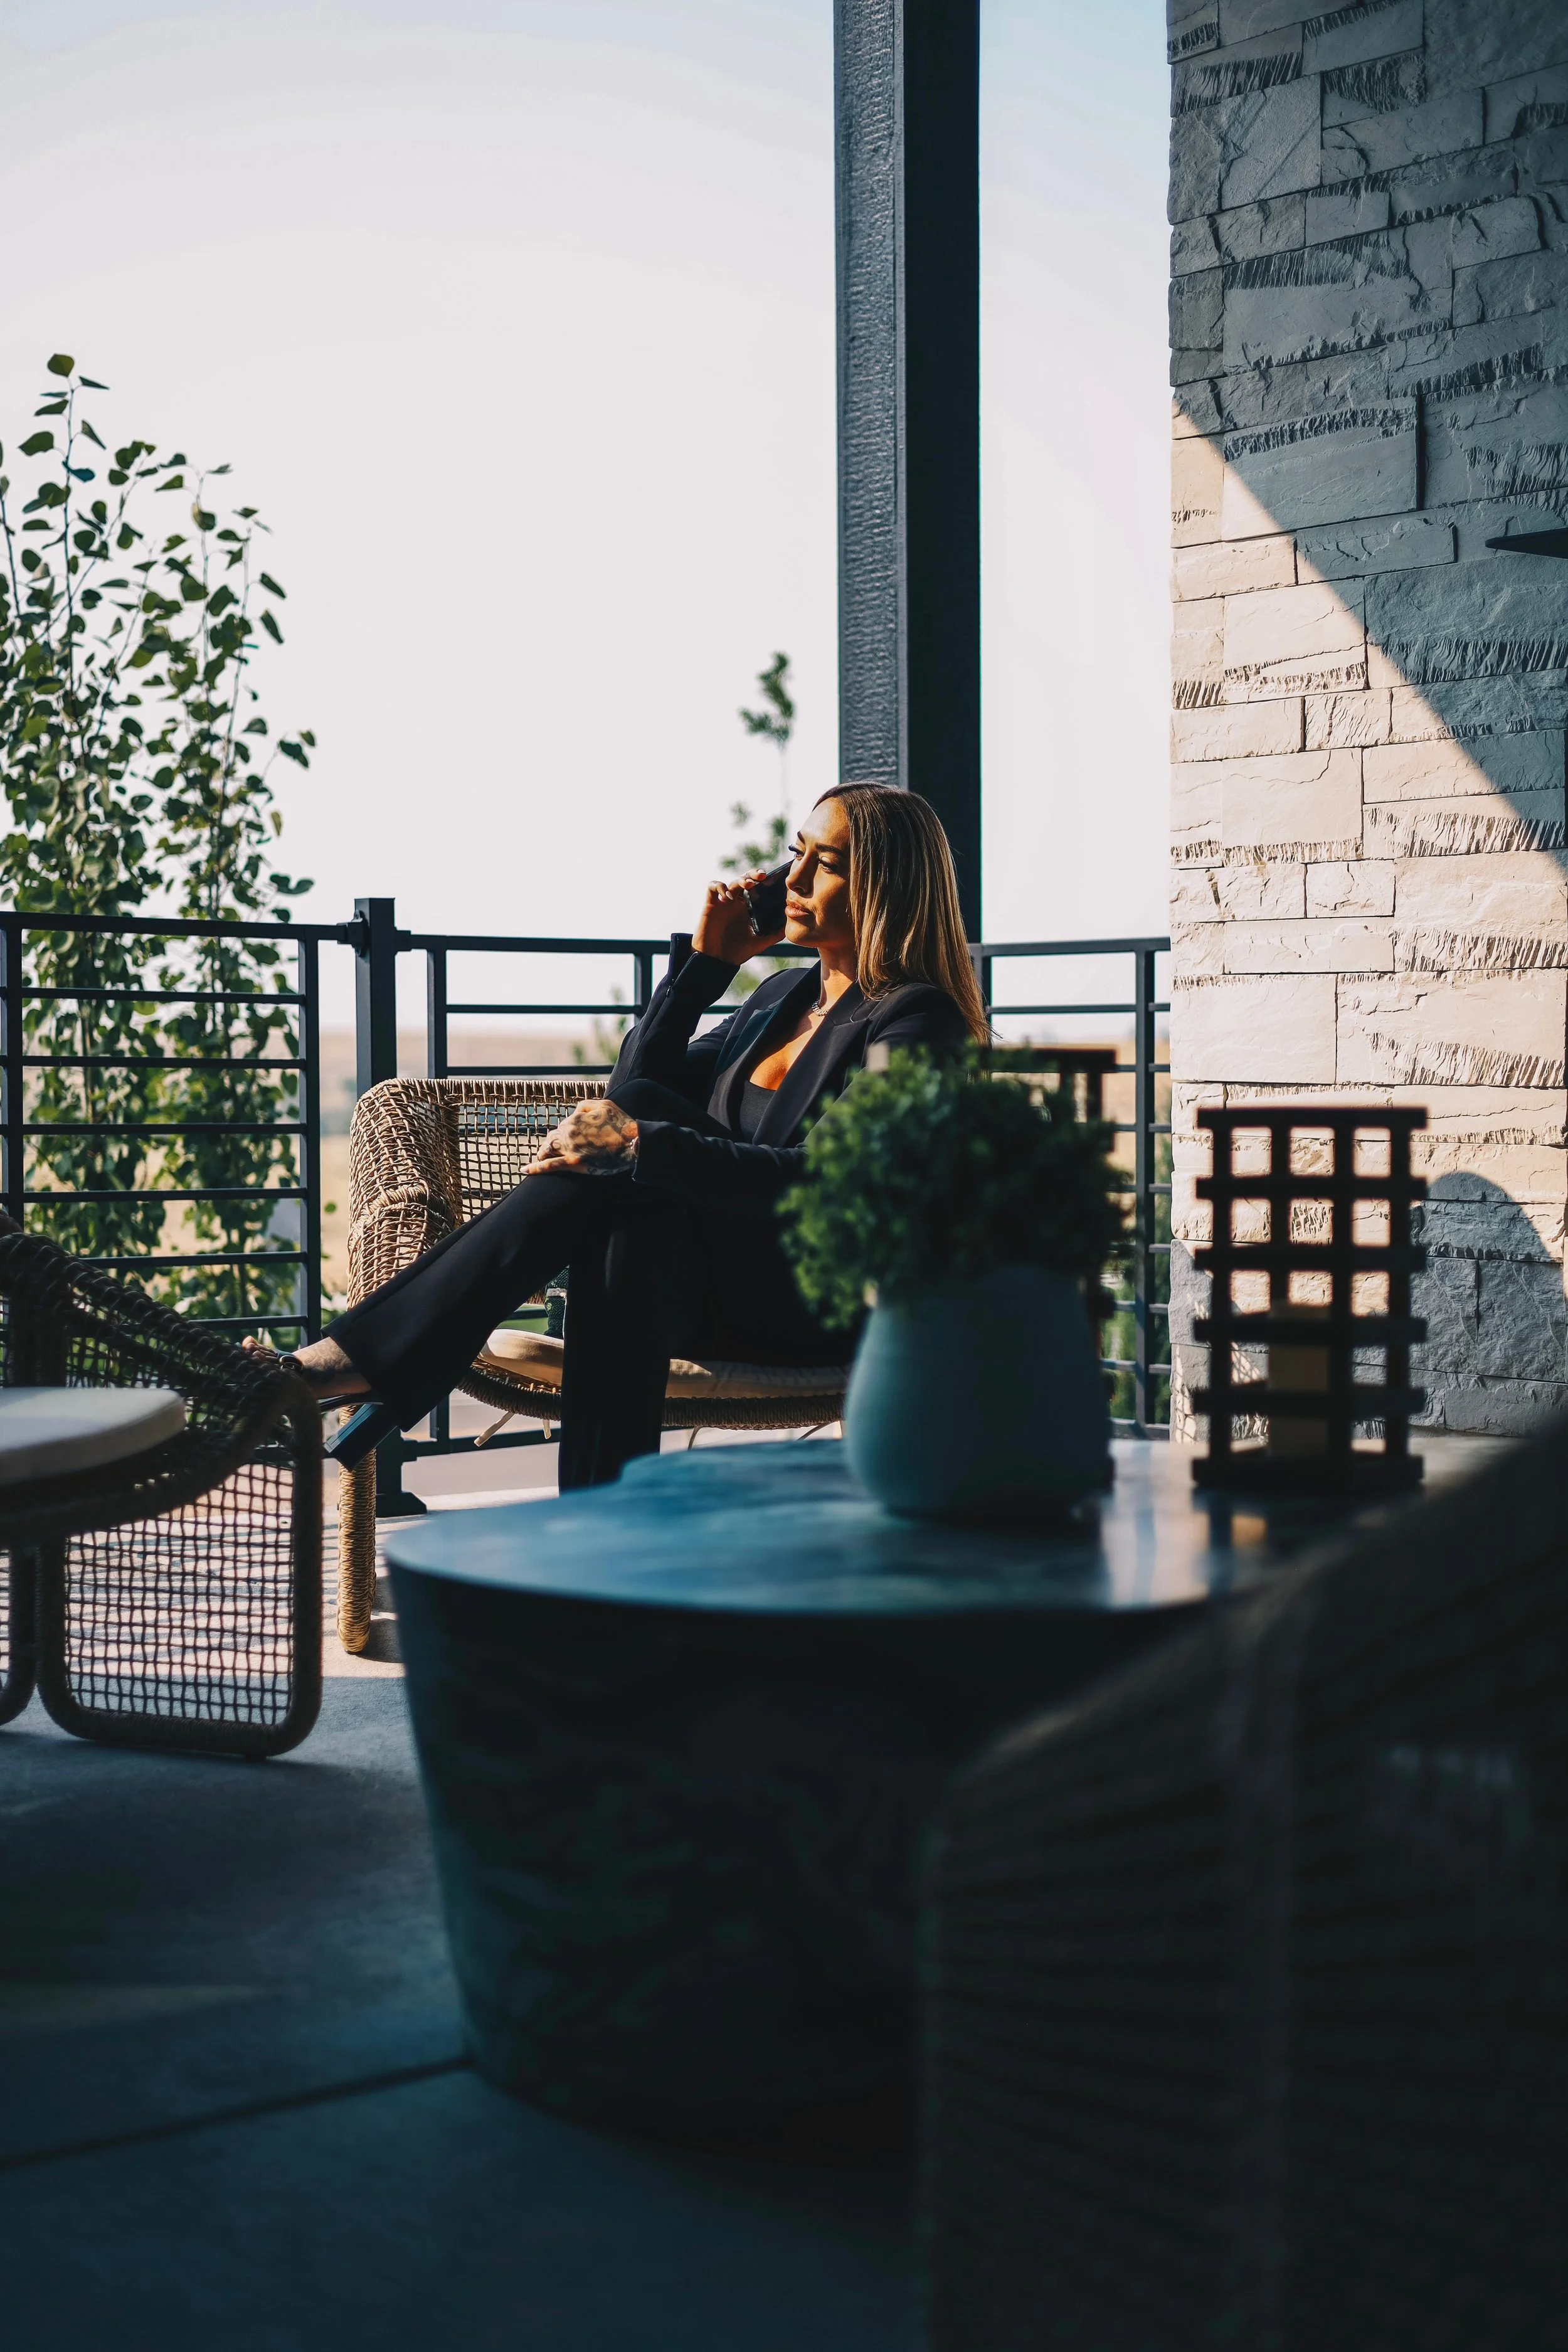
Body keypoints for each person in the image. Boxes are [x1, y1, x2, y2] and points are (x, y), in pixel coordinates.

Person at [246, 783, 988, 1488]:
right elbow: (637, 1084)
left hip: (814, 1304)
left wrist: (640, 1145)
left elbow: (831, 1184)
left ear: (884, 889)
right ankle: (598, 1536)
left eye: (822, 864)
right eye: (794, 852)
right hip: (703, 1282)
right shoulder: (779, 996)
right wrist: (703, 971)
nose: (791, 877)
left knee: (629, 1160)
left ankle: (340, 1363)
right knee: (628, 1229)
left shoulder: (918, 1021)